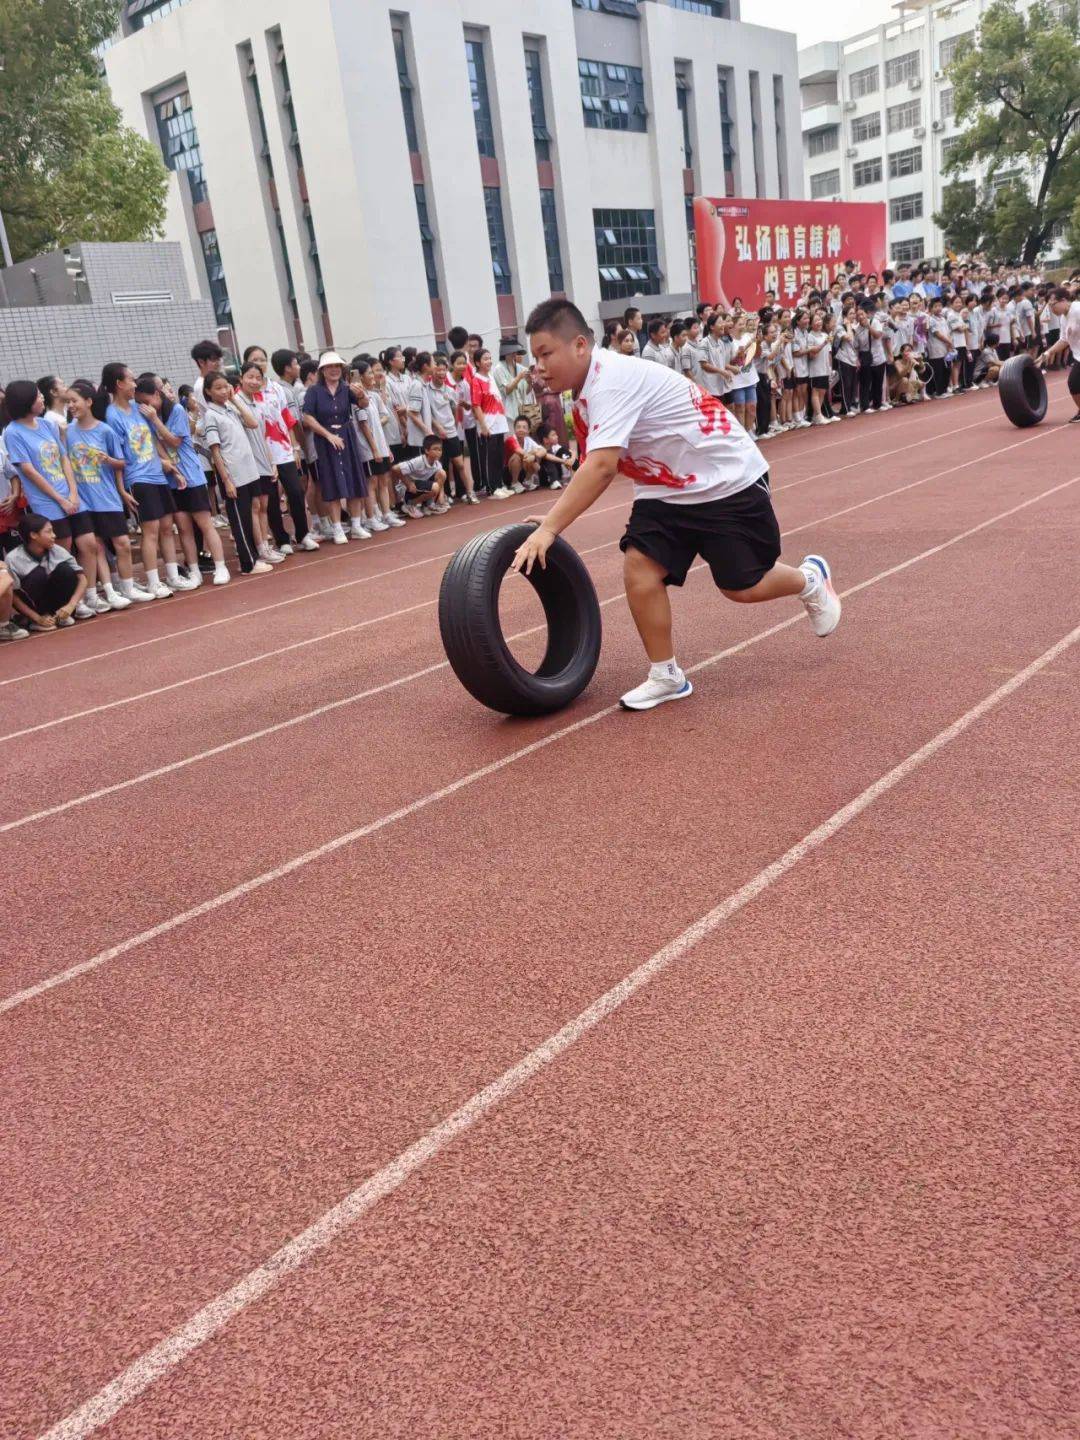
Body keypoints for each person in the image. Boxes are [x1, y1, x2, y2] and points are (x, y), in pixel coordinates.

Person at [511, 299, 840, 712]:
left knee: (742, 587)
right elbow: (593, 461)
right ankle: (665, 674)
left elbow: (602, 467)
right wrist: (557, 514)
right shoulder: (584, 392)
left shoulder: (610, 379)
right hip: (665, 488)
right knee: (639, 566)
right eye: (534, 356)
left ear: (580, 345)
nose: (538, 366)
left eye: (545, 354)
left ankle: (809, 579)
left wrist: (551, 528)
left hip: (725, 477)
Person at [96, 362, 197, 598]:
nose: (134, 384)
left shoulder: (139, 408)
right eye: (130, 379)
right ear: (119, 384)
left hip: (158, 475)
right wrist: (122, 489)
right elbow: (118, 456)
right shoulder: (113, 416)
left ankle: (172, 576)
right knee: (150, 531)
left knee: (166, 527)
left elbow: (152, 441)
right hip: (139, 478)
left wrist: (170, 467)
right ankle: (153, 581)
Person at [136, 377, 232, 584]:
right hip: (172, 480)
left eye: (146, 401)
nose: (144, 407)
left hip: (192, 477)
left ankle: (221, 566)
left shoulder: (176, 411)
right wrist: (169, 466)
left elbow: (175, 441)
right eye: (140, 403)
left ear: (156, 394)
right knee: (184, 528)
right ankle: (194, 569)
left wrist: (155, 420)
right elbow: (157, 445)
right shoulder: (148, 416)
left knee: (205, 523)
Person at [65, 379, 143, 608]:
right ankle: (105, 592)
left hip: (107, 497)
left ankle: (127, 587)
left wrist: (109, 463)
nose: (70, 405)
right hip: (83, 501)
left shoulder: (105, 430)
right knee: (93, 546)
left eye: (74, 401)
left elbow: (121, 463)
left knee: (122, 543)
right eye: (68, 401)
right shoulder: (66, 432)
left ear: (88, 402)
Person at [202, 371, 273, 574]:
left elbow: (252, 423)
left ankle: (253, 556)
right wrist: (226, 480)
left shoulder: (230, 409)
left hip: (249, 472)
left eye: (226, 387)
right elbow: (215, 451)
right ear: (208, 391)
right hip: (234, 475)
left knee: (250, 513)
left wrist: (234, 399)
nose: (224, 391)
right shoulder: (211, 415)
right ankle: (247, 563)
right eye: (218, 388)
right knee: (239, 519)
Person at [302, 350, 371, 542]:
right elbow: (307, 417)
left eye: (337, 366)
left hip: (347, 436)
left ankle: (356, 525)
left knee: (354, 479)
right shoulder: (314, 392)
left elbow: (363, 404)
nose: (334, 370)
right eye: (329, 367)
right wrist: (328, 435)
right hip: (325, 440)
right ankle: (337, 528)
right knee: (331, 482)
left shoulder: (346, 388)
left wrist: (362, 394)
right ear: (322, 370)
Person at [6, 512, 89, 631]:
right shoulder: (13, 558)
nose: (54, 535)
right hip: (34, 606)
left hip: (57, 601)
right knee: (37, 574)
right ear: (34, 535)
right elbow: (14, 596)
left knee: (65, 570)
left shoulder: (57, 549)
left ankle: (60, 614)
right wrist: (37, 618)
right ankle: (35, 620)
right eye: (48, 531)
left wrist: (71, 605)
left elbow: (82, 578)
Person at [469, 348, 510, 497]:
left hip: (499, 421)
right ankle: (491, 488)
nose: (489, 361)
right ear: (478, 363)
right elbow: (476, 405)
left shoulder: (491, 377)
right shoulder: (476, 380)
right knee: (489, 457)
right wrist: (483, 426)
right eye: (485, 359)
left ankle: (499, 484)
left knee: (499, 455)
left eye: (490, 358)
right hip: (488, 423)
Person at [1036, 286, 1080, 421]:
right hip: (1078, 356)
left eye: (1053, 305)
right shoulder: (1063, 318)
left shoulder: (1077, 310)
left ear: (1064, 300)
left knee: (1074, 381)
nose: (1051, 309)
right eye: (1049, 306)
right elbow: (1064, 340)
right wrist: (1047, 353)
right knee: (1074, 383)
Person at [391, 435, 447, 516]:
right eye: (435, 449)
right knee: (435, 487)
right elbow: (395, 468)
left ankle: (428, 505)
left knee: (442, 473)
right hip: (407, 489)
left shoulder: (438, 464)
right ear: (427, 450)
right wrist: (408, 483)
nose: (438, 452)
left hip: (421, 487)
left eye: (440, 450)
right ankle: (410, 504)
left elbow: (441, 483)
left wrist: (441, 496)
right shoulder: (418, 461)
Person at [492, 339, 532, 425]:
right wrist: (518, 377)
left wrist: (529, 382)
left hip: (523, 410)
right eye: (512, 351)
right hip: (507, 413)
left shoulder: (521, 368)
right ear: (505, 352)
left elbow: (526, 392)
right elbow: (506, 390)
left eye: (516, 351)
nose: (515, 354)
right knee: (511, 437)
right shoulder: (498, 369)